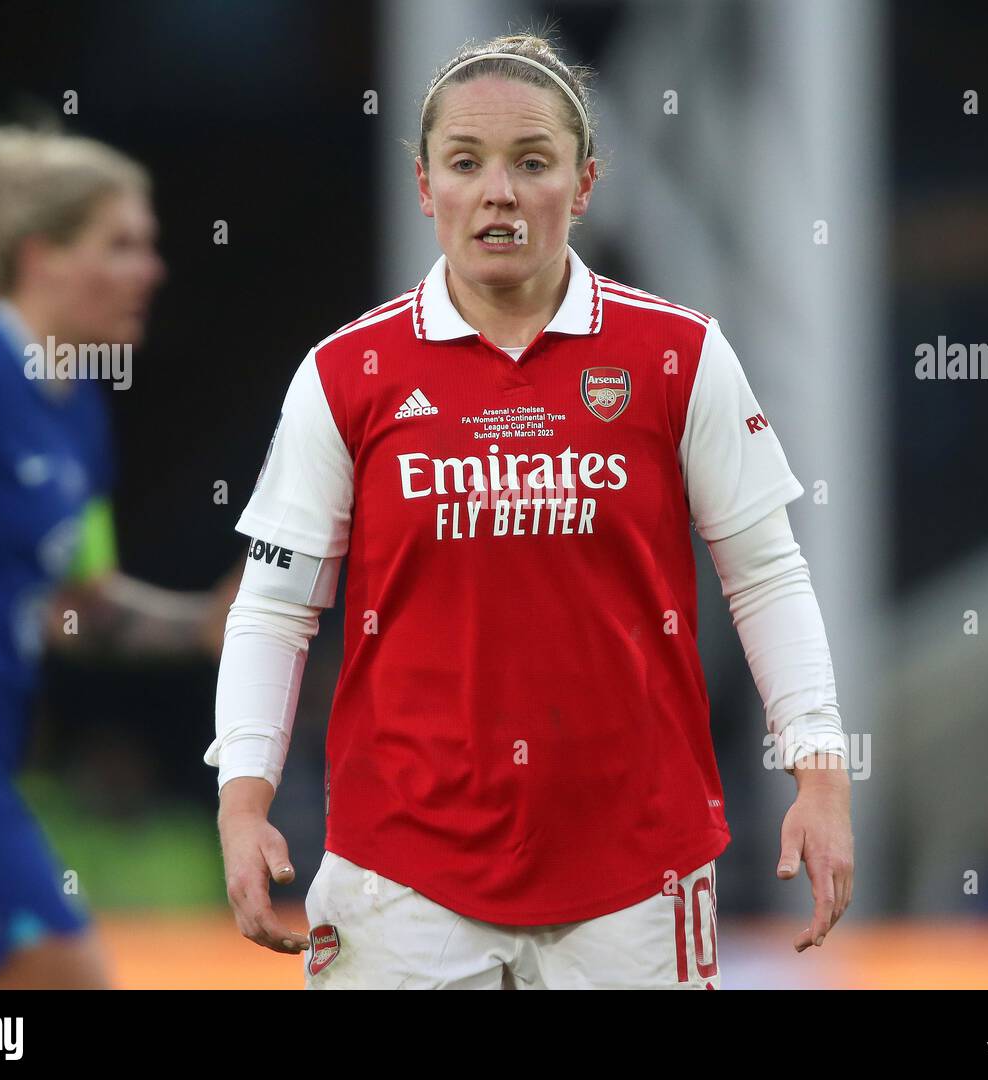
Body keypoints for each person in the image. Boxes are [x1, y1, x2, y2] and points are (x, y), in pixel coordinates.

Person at [207, 32, 854, 990]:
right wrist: (241, 800)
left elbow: (766, 575)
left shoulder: (679, 357)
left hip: (637, 864)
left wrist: (821, 772)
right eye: (464, 163)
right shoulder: (348, 375)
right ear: (426, 187)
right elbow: (276, 607)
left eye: (532, 162)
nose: (497, 191)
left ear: (585, 184)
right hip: (400, 873)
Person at [0, 122, 234, 990]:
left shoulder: (76, 415)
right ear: (43, 256)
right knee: (61, 974)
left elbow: (76, 607)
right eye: (122, 245)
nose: (151, 269)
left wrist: (206, 627)